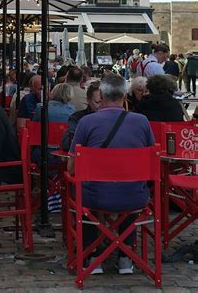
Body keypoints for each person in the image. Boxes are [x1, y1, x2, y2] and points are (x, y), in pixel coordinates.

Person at [68, 74, 155, 275]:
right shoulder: (141, 122)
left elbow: (72, 168)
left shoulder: (87, 122)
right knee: (130, 182)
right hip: (135, 197)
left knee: (81, 189)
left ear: (103, 95)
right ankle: (125, 257)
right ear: (125, 96)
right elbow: (151, 162)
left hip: (95, 196)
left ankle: (92, 254)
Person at [61, 82, 102, 151]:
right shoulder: (77, 118)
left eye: (105, 102)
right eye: (97, 102)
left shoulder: (113, 118)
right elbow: (67, 144)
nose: (102, 105)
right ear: (88, 101)